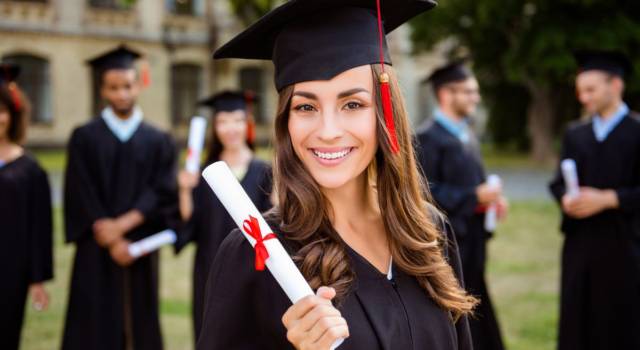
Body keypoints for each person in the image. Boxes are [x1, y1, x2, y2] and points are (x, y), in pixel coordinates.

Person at [197, 0, 477, 349]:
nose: (328, 130)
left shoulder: (428, 231)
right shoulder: (256, 256)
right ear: (286, 121)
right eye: (306, 107)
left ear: (385, 111)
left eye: (352, 104)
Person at [61, 45, 177, 350]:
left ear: (138, 85)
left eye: (127, 86)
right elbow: (79, 189)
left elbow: (163, 190)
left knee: (139, 319)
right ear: (102, 90)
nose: (121, 94)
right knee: (93, 320)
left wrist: (123, 226)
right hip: (96, 246)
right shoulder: (84, 137)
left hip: (139, 245)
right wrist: (110, 236)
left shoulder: (158, 139)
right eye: (113, 88)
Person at [549, 50, 640, 350]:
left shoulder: (636, 132)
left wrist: (610, 199)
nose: (583, 98)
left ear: (615, 85)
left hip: (624, 244)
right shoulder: (576, 134)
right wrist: (566, 198)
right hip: (581, 244)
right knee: (579, 318)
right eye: (580, 91)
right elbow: (557, 183)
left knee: (621, 320)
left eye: (591, 89)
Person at [416, 61, 507, 350]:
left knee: (476, 303)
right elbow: (423, 192)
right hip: (447, 244)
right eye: (468, 92)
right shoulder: (426, 138)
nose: (475, 98)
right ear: (445, 94)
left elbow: (473, 183)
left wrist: (491, 200)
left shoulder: (466, 134)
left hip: (474, 239)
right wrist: (473, 197)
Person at [176, 90, 273, 341]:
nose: (230, 128)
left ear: (247, 124)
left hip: (254, 270)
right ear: (215, 128)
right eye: (222, 122)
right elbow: (189, 225)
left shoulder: (265, 172)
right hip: (211, 266)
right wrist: (185, 190)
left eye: (237, 120)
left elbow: (273, 224)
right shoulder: (204, 173)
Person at [0, 63, 53, 350]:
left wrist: (37, 281)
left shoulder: (30, 170)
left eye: (2, 110)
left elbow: (39, 228)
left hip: (9, 272)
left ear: (13, 114)